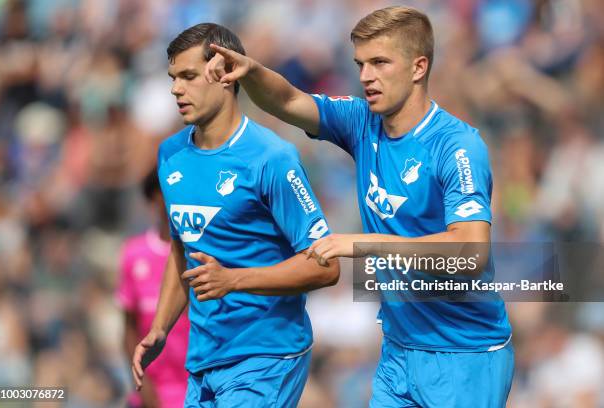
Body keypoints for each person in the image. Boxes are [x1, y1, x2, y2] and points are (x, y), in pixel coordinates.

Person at [204, 6, 514, 408]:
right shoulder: (360, 122)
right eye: (361, 64)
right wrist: (250, 71)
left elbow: (471, 252)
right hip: (399, 352)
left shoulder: (456, 147)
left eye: (380, 63)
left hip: (466, 356)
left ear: (419, 67)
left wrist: (366, 245)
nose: (366, 76)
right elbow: (286, 99)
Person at [131, 23, 339, 408]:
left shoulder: (272, 158)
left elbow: (326, 267)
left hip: (266, 355)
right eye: (173, 78)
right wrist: (160, 328)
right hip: (205, 360)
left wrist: (234, 280)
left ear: (225, 74)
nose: (176, 89)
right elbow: (183, 250)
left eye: (189, 76)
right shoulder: (170, 156)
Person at [117, 170, 190, 408]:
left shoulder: (202, 254)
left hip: (197, 389)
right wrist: (144, 386)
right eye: (164, 194)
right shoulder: (134, 253)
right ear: (152, 199)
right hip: (152, 394)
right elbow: (129, 329)